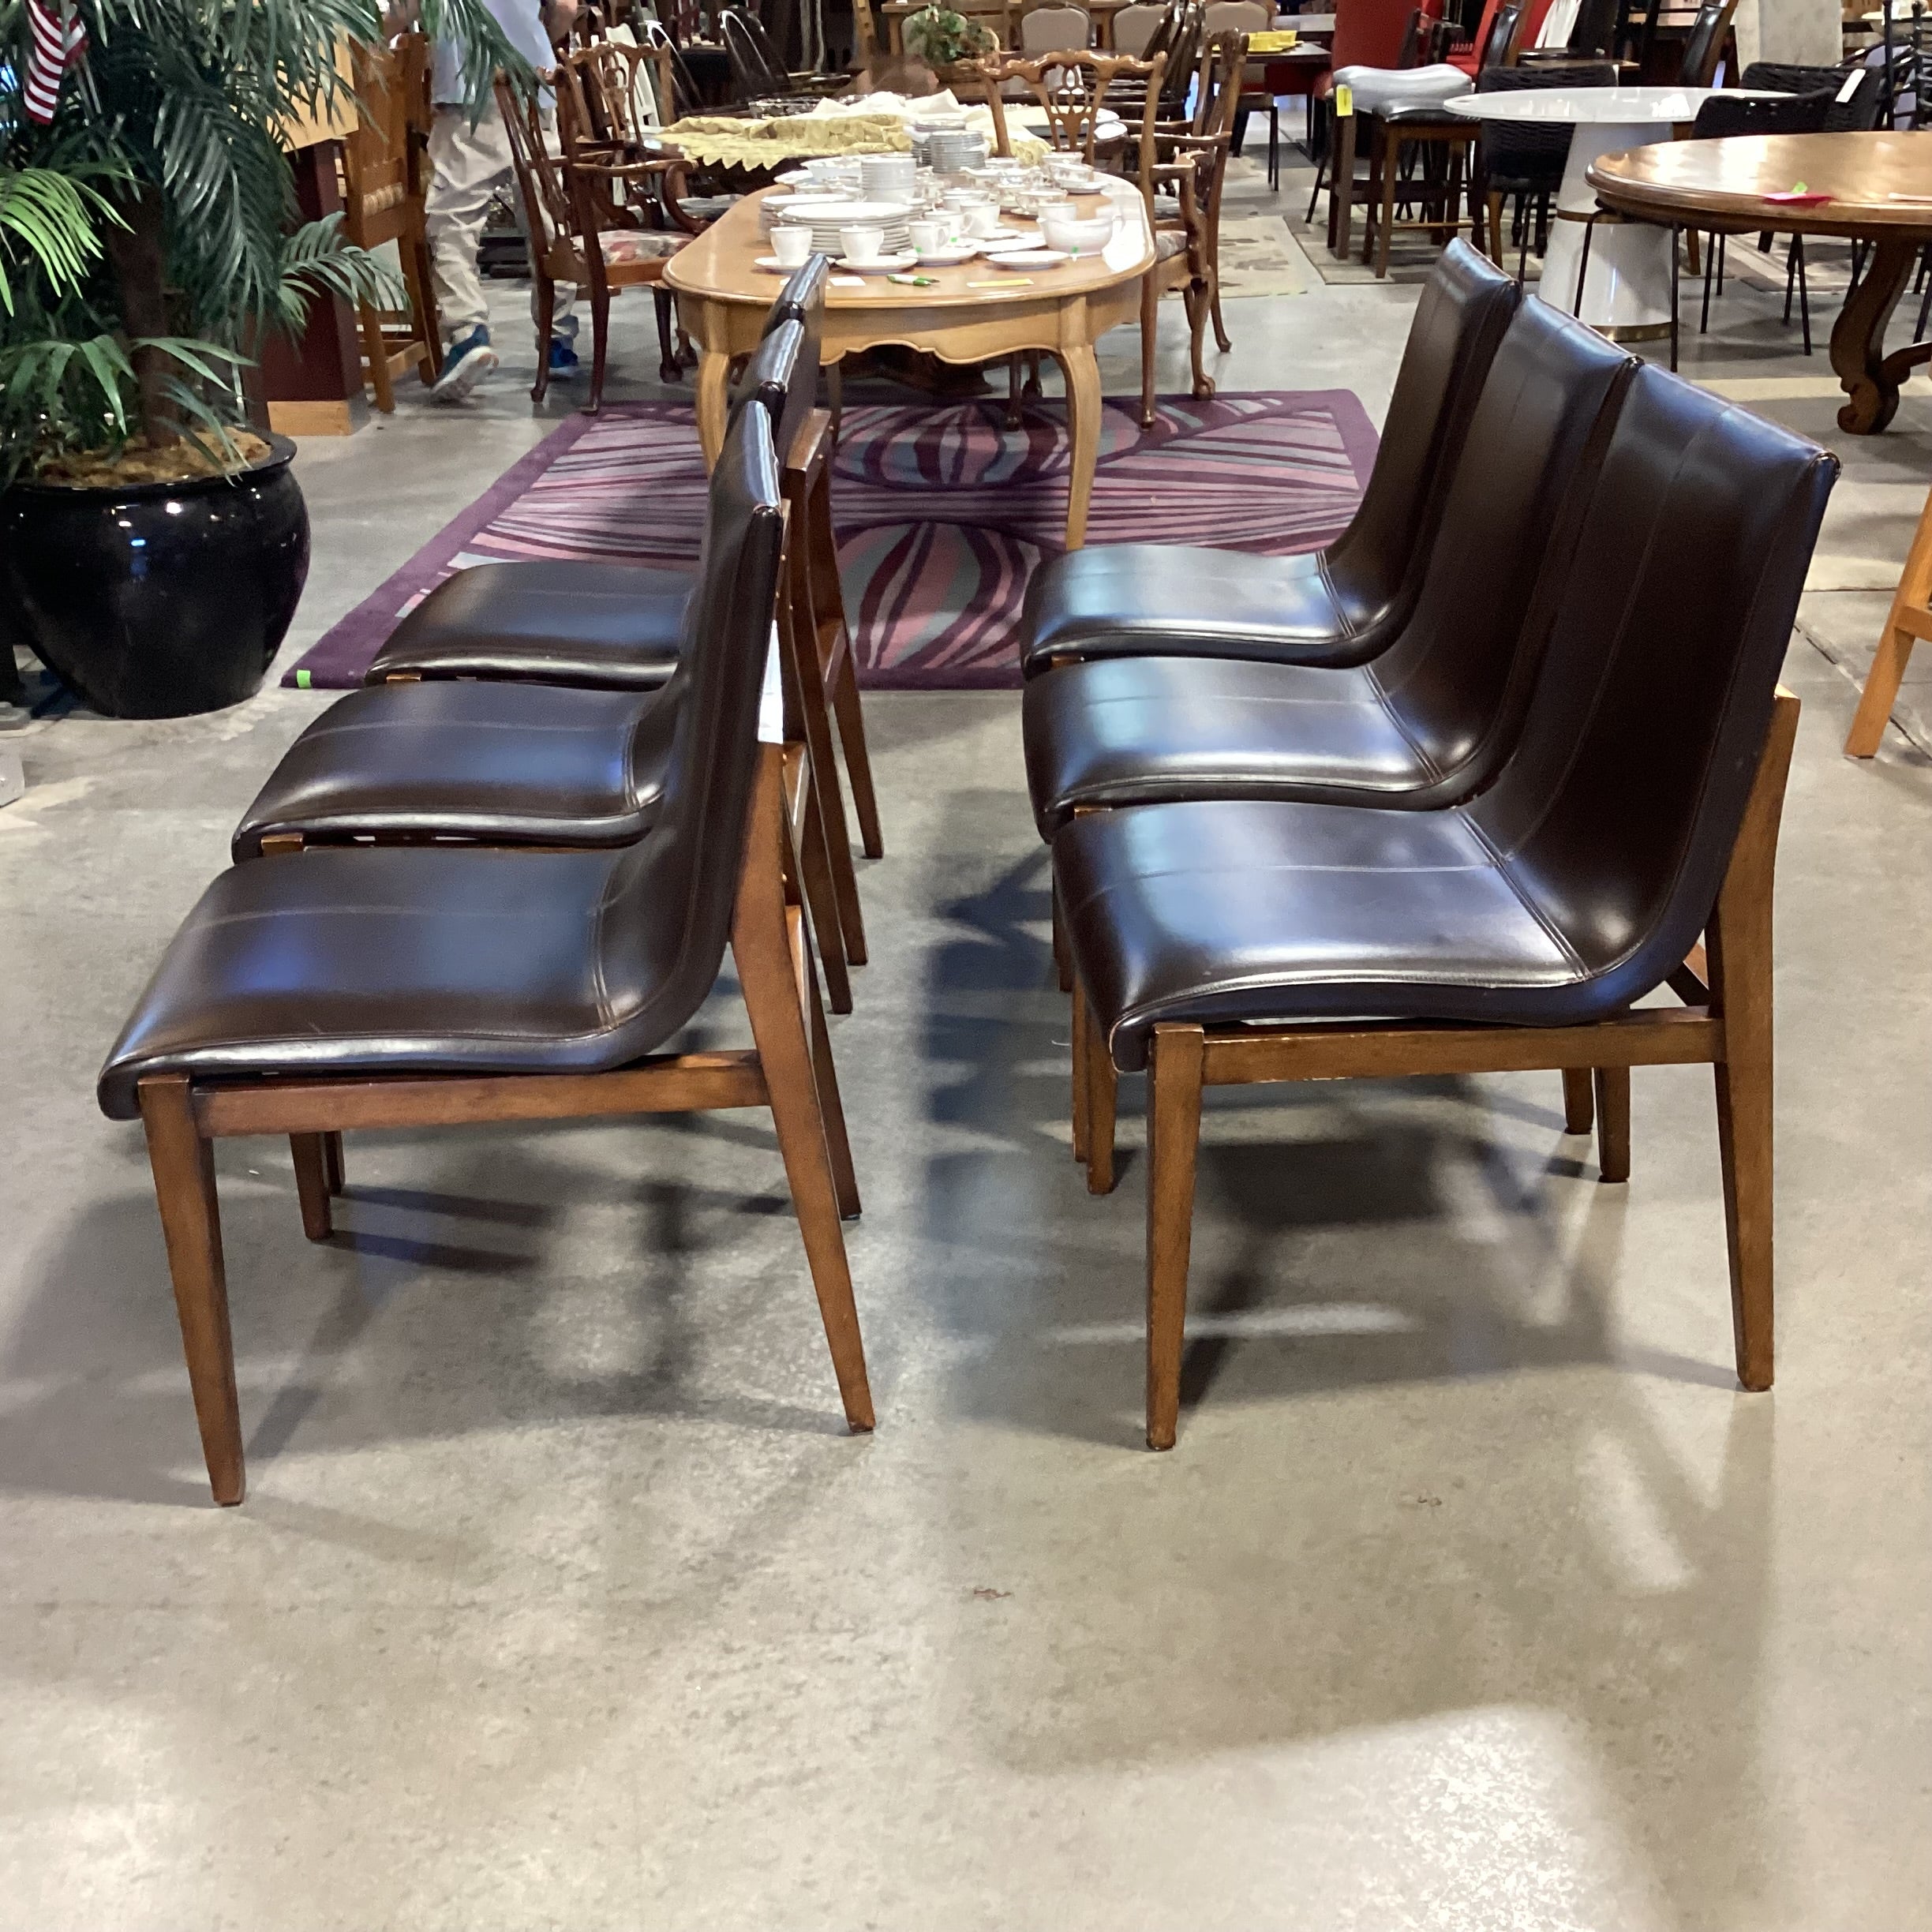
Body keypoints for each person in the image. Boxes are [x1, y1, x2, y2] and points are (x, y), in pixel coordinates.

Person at [417, 0, 582, 401]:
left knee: (453, 223)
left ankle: (468, 332)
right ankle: (556, 341)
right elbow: (564, 7)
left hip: (467, 89)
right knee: (546, 223)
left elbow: (401, 15)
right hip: (532, 86)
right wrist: (532, 39)